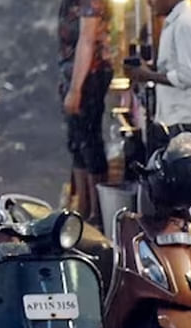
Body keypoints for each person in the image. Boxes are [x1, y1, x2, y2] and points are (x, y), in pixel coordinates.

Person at [124, 0, 191, 153]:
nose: (149, 3)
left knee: (184, 174)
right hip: (182, 118)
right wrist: (148, 70)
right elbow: (176, 68)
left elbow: (189, 75)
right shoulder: (177, 22)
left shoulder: (186, 23)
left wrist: (148, 75)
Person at [58, 0, 113, 227]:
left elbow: (87, 41)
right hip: (73, 74)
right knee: (77, 141)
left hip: (89, 76)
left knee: (89, 141)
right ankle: (82, 206)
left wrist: (75, 89)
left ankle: (97, 213)